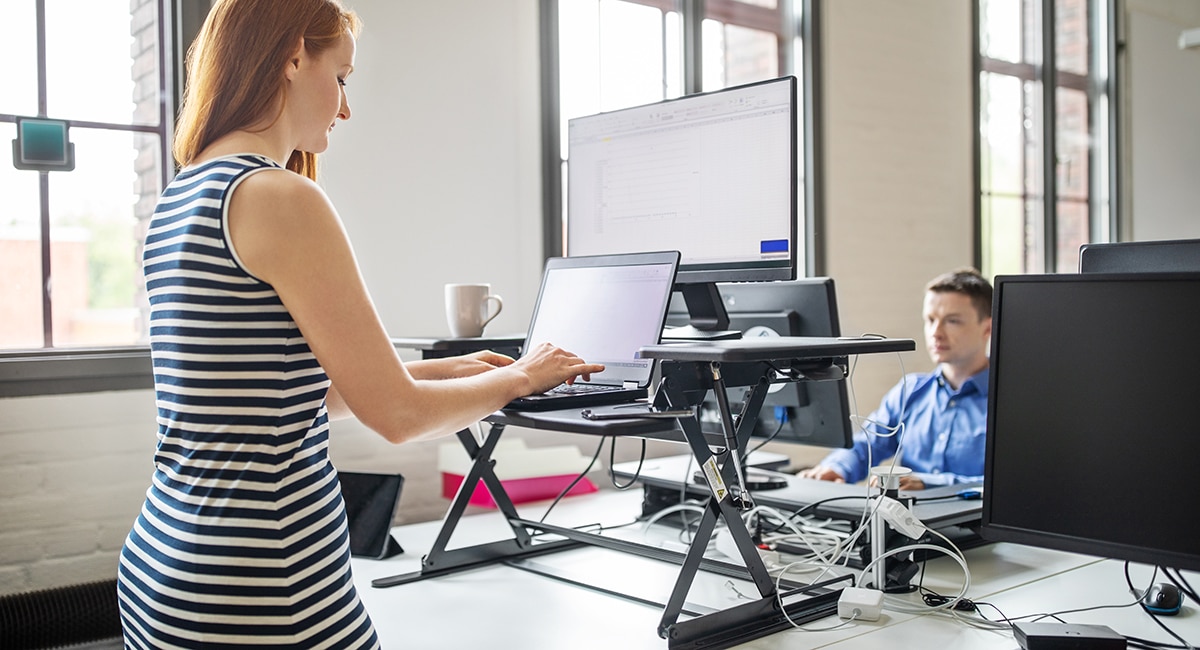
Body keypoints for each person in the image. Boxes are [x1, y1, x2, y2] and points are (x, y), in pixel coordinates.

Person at [116, 1, 603, 647]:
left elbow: (288, 391)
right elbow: (396, 416)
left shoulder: (182, 196)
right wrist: (521, 379)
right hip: (265, 576)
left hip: (168, 565)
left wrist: (449, 369)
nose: (345, 107)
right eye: (341, 77)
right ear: (293, 56)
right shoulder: (278, 196)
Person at [800, 268, 993, 490]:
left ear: (987, 328)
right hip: (906, 522)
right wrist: (837, 468)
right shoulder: (911, 390)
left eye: (952, 321)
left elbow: (1012, 484)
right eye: (930, 320)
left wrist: (930, 483)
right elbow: (868, 444)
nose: (936, 332)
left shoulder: (1012, 403)